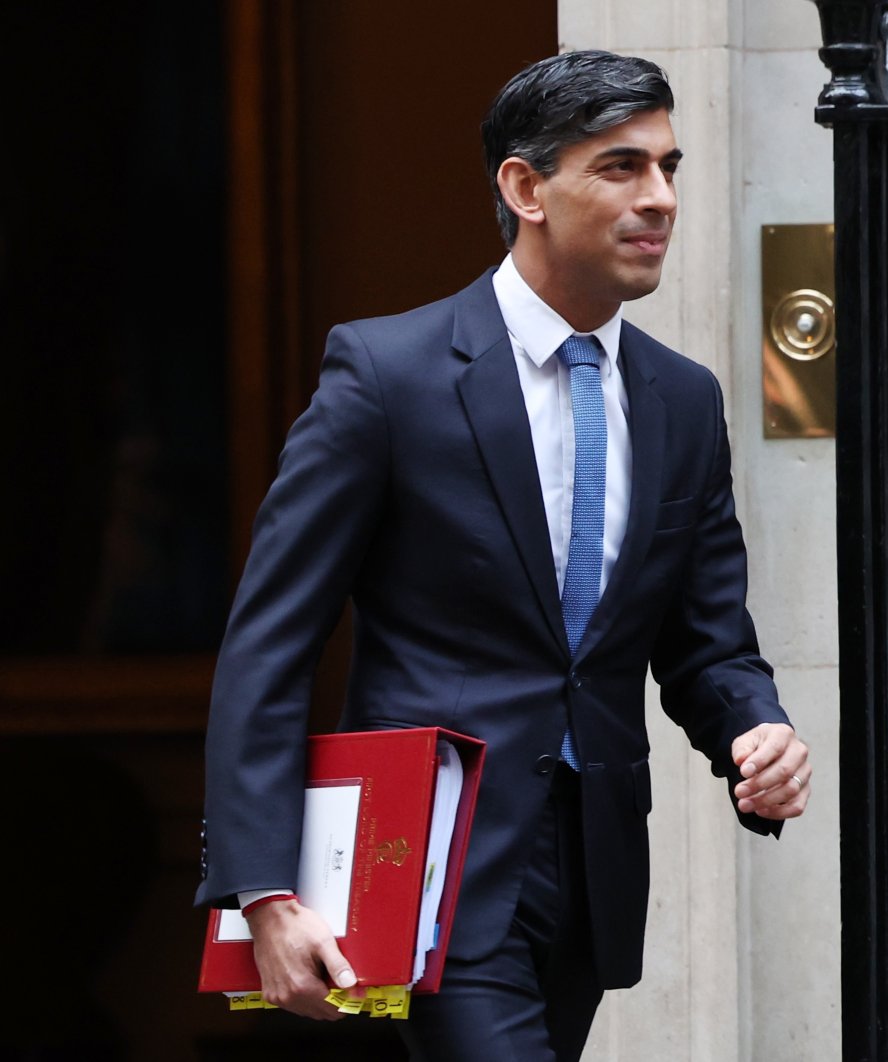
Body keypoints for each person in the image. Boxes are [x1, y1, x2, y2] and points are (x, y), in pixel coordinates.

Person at [195, 50, 811, 1060]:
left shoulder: (684, 401)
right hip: (427, 872)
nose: (659, 198)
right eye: (620, 168)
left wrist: (755, 731)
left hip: (592, 870)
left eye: (669, 167)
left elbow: (706, 642)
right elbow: (271, 643)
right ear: (525, 188)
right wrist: (264, 888)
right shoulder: (387, 376)